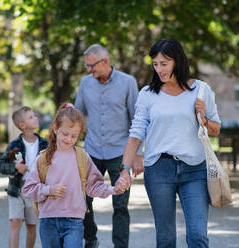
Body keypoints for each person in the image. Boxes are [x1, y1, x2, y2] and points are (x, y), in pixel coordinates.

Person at [119, 38, 221, 248]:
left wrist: (202, 118)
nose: (159, 69)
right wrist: (125, 169)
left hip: (195, 169)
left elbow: (216, 130)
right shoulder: (148, 94)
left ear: (177, 61)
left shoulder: (201, 90)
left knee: (198, 236)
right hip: (158, 169)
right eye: (155, 64)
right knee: (165, 239)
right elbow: (136, 134)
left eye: (164, 64)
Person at [21, 103, 127, 248]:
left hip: (75, 221)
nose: (69, 139)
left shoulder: (82, 157)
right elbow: (28, 189)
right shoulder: (43, 158)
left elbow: (93, 185)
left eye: (74, 136)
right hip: (48, 220)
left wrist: (114, 189)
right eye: (65, 134)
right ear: (55, 129)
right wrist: (49, 190)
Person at [75, 44, 143, 248]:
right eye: (87, 66)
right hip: (92, 151)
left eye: (91, 66)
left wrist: (138, 154)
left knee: (121, 205)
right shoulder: (85, 84)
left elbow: (137, 120)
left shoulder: (128, 82)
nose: (89, 70)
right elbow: (76, 115)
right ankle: (90, 237)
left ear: (105, 61)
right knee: (83, 200)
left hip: (120, 153)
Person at [0, 106, 48, 248]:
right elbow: (1, 166)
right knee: (15, 222)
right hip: (16, 190)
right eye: (31, 117)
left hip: (34, 190)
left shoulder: (45, 144)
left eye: (35, 116)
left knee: (32, 226)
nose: (36, 118)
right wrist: (15, 167)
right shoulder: (14, 145)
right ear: (22, 125)